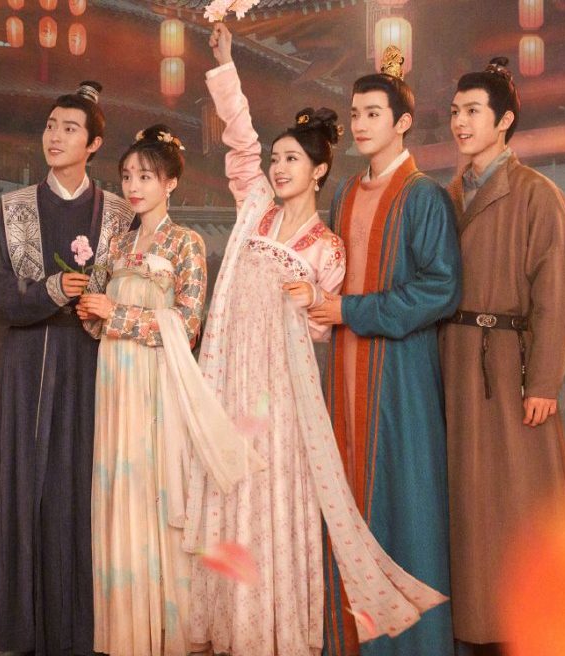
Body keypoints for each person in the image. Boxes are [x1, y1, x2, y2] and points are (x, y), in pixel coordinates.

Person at [185, 25, 447, 656]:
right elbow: (240, 139)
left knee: (275, 503)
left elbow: (323, 329)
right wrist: (226, 66)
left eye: (291, 160)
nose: (277, 167)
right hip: (233, 383)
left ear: (319, 170)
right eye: (275, 159)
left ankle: (277, 630)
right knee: (230, 496)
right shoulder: (254, 211)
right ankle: (228, 625)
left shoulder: (328, 249)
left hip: (284, 400)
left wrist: (311, 304)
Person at [78, 124, 261, 656]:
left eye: (146, 176)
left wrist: (116, 313)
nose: (134, 186)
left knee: (156, 489)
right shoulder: (115, 244)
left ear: (171, 182)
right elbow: (96, 319)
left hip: (159, 381)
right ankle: (126, 632)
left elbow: (188, 323)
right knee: (119, 489)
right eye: (127, 176)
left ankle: (167, 631)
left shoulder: (186, 243)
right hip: (115, 381)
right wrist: (91, 309)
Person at [308, 47, 461, 656]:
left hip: (400, 374)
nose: (361, 123)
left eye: (374, 113)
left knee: (406, 501)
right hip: (345, 369)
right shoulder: (345, 192)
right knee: (349, 498)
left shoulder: (423, 196)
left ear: (403, 122)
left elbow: (440, 289)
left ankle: (414, 646)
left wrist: (352, 311)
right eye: (355, 113)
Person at [0, 81, 134, 656]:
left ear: (94, 144)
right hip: (29, 366)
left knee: (87, 486)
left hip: (96, 363)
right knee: (29, 485)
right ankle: (23, 628)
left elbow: (136, 291)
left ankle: (89, 629)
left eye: (70, 129)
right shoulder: (14, 209)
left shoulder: (119, 214)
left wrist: (102, 303)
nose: (55, 137)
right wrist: (49, 289)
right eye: (50, 126)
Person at [441, 57, 565, 656]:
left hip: (509, 364)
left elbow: (554, 295)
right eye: (455, 111)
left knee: (519, 498)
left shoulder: (536, 194)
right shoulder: (446, 195)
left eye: (473, 111)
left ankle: (527, 623)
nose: (460, 122)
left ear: (504, 121)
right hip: (453, 359)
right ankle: (472, 625)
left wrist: (543, 381)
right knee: (466, 500)